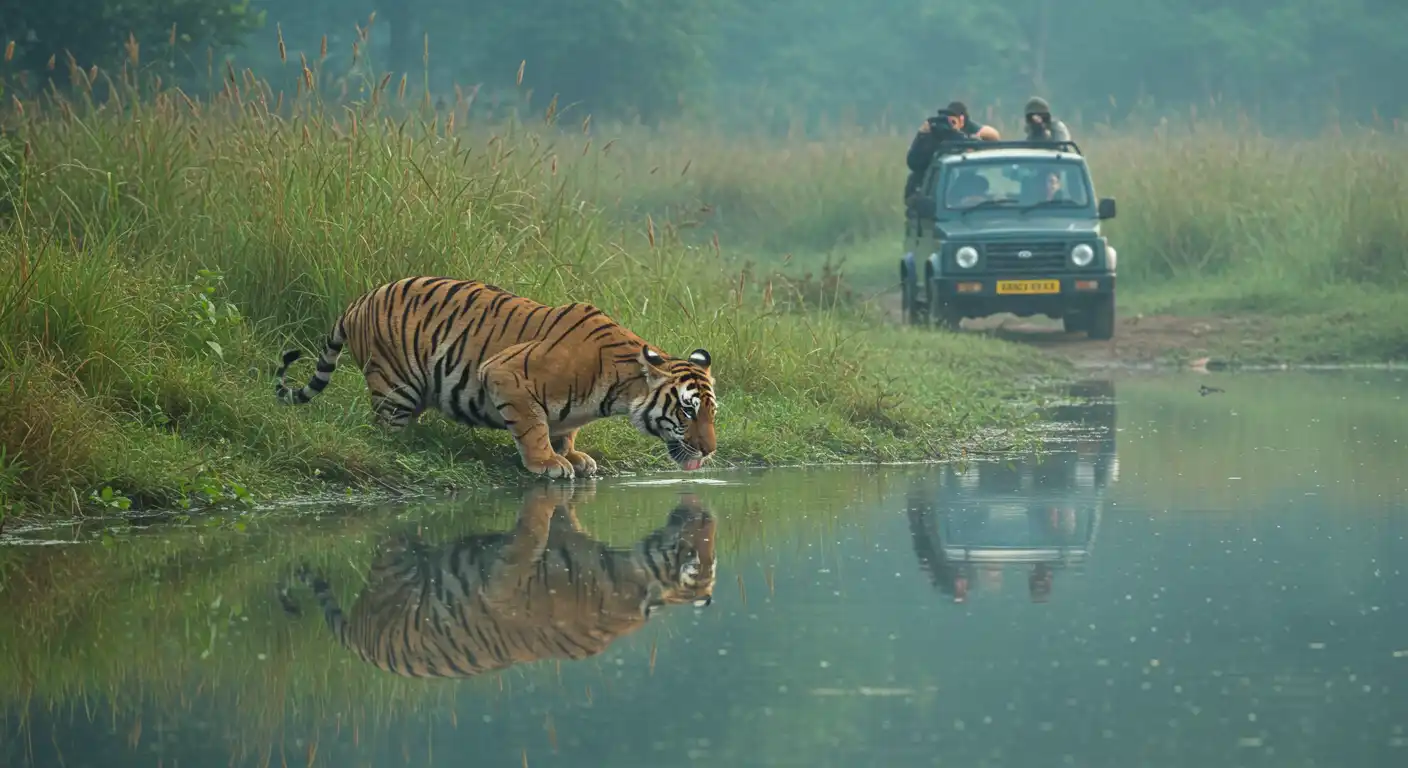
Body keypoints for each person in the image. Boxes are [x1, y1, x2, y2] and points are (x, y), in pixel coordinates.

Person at [903, 101, 1001, 204]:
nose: (947, 124)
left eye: (952, 120)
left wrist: (961, 134)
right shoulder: (934, 133)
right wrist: (921, 136)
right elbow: (914, 163)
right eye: (945, 119)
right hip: (933, 192)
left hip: (961, 195)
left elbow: (993, 136)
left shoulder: (968, 133)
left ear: (962, 121)